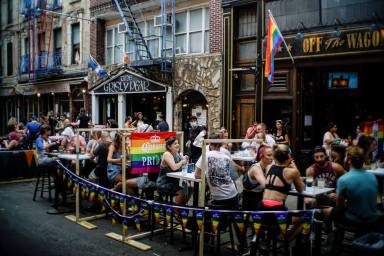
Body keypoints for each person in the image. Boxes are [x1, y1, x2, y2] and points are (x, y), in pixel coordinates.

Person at [332, 146, 379, 227]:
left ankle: (334, 237)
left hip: (355, 221)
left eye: (345, 156)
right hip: (373, 219)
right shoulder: (373, 176)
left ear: (349, 161)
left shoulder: (343, 179)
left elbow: (340, 207)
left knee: (328, 211)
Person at [195, 133, 239, 208]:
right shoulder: (226, 156)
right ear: (221, 144)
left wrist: (209, 175)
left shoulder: (205, 155)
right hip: (233, 194)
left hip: (219, 198)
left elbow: (197, 175)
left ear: (209, 143)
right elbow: (233, 175)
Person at [260, 144, 304, 211]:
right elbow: (300, 189)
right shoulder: (293, 172)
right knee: (298, 220)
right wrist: (295, 168)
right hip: (277, 209)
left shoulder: (269, 167)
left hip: (262, 207)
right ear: (289, 156)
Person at [156, 137, 190, 204]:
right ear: (169, 146)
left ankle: (182, 206)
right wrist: (182, 162)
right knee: (183, 191)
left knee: (189, 188)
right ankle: (176, 211)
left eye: (178, 143)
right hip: (164, 183)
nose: (178, 145)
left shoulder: (177, 154)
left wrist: (185, 159)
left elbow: (182, 165)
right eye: (175, 144)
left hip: (174, 182)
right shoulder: (167, 154)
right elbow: (174, 167)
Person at [242, 145, 273, 210]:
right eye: (269, 155)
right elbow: (266, 185)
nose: (272, 158)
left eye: (273, 155)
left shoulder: (267, 165)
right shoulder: (256, 168)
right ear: (261, 156)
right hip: (250, 198)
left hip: (260, 195)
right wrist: (268, 169)